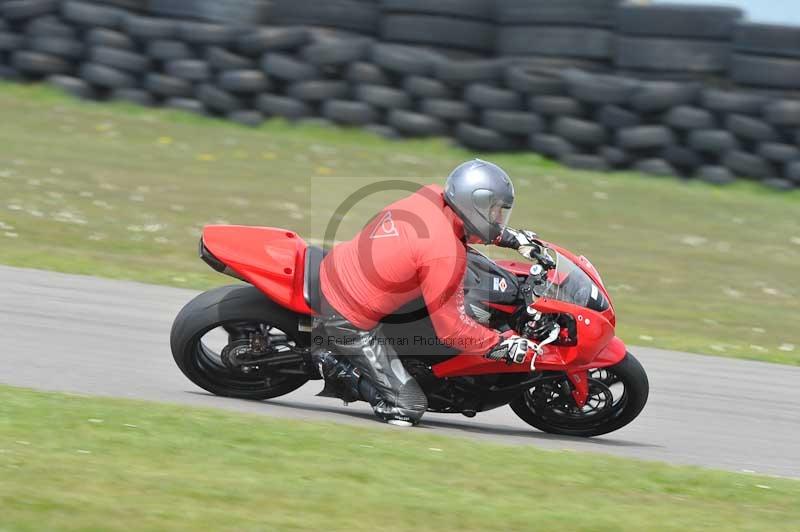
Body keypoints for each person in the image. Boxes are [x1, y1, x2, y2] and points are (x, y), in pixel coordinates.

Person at [313, 159, 531, 427]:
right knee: (409, 408)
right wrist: (499, 345)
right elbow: (452, 331)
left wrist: (509, 237)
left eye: (501, 213)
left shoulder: (432, 195)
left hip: (342, 265)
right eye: (495, 212)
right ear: (472, 206)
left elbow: (469, 225)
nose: (498, 220)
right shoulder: (444, 254)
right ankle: (334, 364)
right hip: (345, 317)